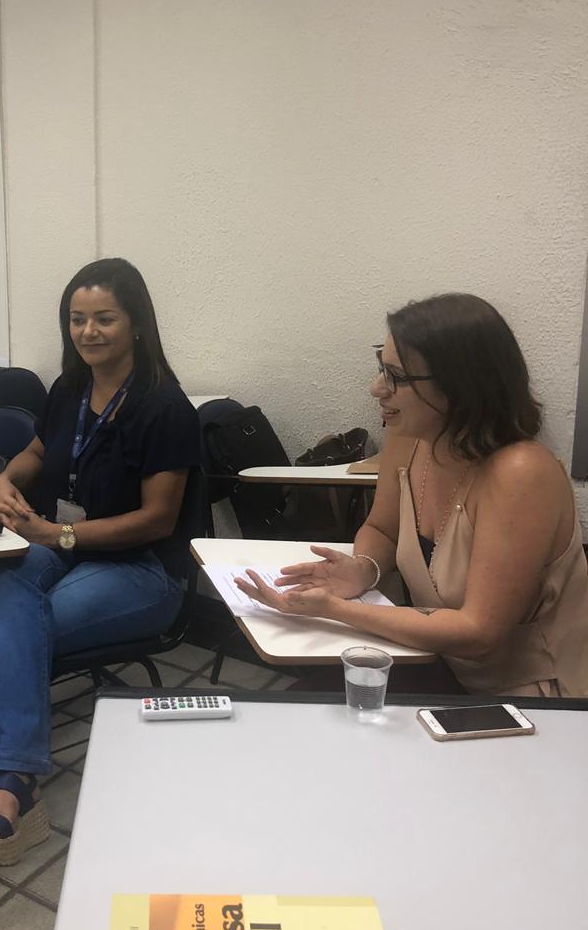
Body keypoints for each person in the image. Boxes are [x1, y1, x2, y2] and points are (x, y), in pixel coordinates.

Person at [0, 257, 201, 865]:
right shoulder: (70, 388)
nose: (88, 332)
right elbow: (37, 452)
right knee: (6, 588)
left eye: (104, 319)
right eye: (77, 319)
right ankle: (12, 783)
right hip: (60, 542)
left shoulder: (164, 405)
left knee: (1, 637)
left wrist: (58, 535)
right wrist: (2, 482)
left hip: (143, 569)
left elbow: (158, 520)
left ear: (137, 324)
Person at [236, 293, 588, 697]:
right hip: (440, 663)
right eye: (380, 369)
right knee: (304, 703)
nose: (376, 388)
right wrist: (364, 569)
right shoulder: (410, 438)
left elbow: (479, 632)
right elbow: (382, 529)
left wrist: (335, 610)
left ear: (460, 386)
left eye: (396, 377)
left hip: (536, 695)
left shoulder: (521, 472)